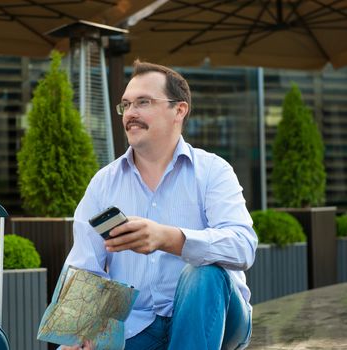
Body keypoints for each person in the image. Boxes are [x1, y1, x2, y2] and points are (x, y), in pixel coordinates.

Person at [60, 60, 257, 350]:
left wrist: (170, 238)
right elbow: (84, 266)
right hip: (136, 325)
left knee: (204, 272)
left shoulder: (214, 171)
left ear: (179, 110)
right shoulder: (104, 183)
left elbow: (243, 246)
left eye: (143, 102)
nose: (131, 114)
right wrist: (75, 334)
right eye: (125, 105)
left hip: (221, 317)